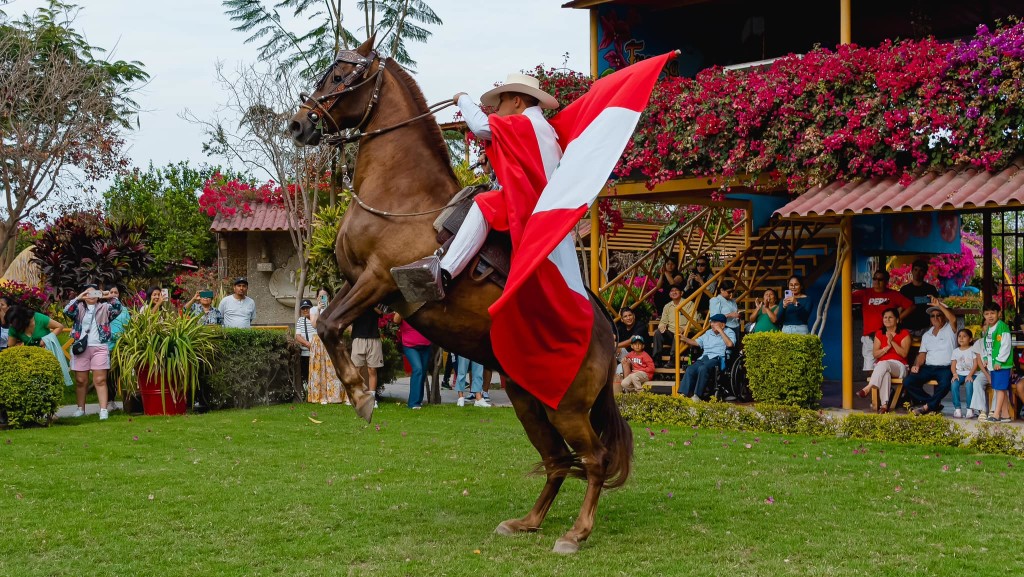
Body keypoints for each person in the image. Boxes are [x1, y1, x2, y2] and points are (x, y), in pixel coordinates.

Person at [391, 72, 562, 301]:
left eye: (501, 101)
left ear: (517, 101)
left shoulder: (526, 122)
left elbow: (481, 126)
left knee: (484, 203)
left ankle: (444, 272)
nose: (497, 108)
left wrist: (463, 98)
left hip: (529, 205)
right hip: (541, 205)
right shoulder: (543, 128)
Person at [63, 284, 124, 420]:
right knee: (81, 380)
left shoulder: (105, 308)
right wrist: (79, 297)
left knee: (100, 379)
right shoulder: (78, 308)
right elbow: (67, 311)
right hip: (81, 347)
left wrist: (108, 296)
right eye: (88, 293)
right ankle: (80, 409)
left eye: (94, 293)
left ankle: (103, 409)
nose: (91, 296)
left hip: (100, 347)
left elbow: (118, 308)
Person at [851, 269, 913, 371]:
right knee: (869, 368)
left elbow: (911, 306)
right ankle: (872, 387)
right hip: (870, 336)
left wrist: (898, 318)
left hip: (888, 336)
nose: (877, 281)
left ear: (886, 281)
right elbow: (845, 298)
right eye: (875, 279)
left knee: (887, 365)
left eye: (880, 279)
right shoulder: (865, 293)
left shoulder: (893, 294)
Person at [905, 298, 957, 416]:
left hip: (946, 367)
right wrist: (916, 365)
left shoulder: (950, 329)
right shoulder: (927, 334)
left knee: (945, 385)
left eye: (939, 315)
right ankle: (933, 403)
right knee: (908, 381)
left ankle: (927, 406)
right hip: (928, 367)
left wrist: (939, 304)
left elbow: (953, 318)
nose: (935, 318)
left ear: (944, 316)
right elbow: (922, 354)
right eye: (932, 316)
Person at [855, 308, 910, 413]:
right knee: (885, 374)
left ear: (897, 320)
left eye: (890, 317)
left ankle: (868, 388)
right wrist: (886, 348)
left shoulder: (904, 333)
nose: (887, 319)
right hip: (883, 368)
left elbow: (904, 354)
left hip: (899, 366)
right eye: (885, 317)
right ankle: (884, 406)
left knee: (883, 364)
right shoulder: (879, 333)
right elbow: (875, 354)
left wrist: (892, 341)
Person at [6, 305, 72, 387]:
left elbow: (60, 326)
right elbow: (10, 346)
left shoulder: (38, 318)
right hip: (29, 359)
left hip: (48, 354)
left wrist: (46, 339)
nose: (12, 326)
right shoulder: (14, 327)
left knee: (49, 383)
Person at [677, 313, 735, 400]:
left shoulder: (729, 332)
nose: (712, 324)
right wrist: (685, 339)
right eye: (711, 322)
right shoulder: (708, 333)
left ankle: (697, 395)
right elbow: (697, 342)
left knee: (702, 368)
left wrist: (720, 331)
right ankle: (684, 394)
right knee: (690, 369)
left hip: (717, 358)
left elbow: (730, 344)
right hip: (704, 357)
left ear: (722, 324)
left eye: (715, 322)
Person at [306, 289, 346, 406]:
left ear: (329, 297)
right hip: (319, 341)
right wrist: (318, 309)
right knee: (319, 368)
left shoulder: (334, 309)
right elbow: (314, 324)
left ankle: (335, 396)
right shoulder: (314, 309)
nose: (323, 298)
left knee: (333, 368)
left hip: (331, 340)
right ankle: (320, 396)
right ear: (317, 297)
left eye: (325, 296)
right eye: (320, 296)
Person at [980, 302, 1014, 423]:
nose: (990, 316)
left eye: (992, 313)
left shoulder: (1002, 327)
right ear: (983, 315)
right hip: (992, 364)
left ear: (999, 313)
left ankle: (996, 414)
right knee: (1000, 388)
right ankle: (1005, 415)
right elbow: (986, 345)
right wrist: (985, 358)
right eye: (987, 313)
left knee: (999, 389)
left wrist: (999, 360)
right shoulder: (988, 328)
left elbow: (1005, 345)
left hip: (1001, 364)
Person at [393, 311, 432, 409]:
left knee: (422, 372)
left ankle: (418, 400)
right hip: (410, 345)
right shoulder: (405, 308)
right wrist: (403, 307)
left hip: (426, 345)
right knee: (418, 369)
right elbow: (395, 320)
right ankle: (413, 403)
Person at [350, 304, 385, 402]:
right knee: (357, 369)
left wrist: (371, 304)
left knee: (372, 369)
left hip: (374, 338)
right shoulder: (356, 303)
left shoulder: (376, 302)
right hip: (358, 338)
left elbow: (382, 314)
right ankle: (356, 397)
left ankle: (372, 399)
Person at [105, 286, 132, 412]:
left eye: (116, 292)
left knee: (117, 375)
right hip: (107, 346)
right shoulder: (103, 308)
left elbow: (129, 325)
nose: (114, 294)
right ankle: (107, 400)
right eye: (111, 292)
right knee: (107, 375)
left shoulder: (125, 310)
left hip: (121, 346)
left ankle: (116, 400)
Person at [899, 259, 940, 337]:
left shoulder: (931, 289)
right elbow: (900, 308)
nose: (917, 273)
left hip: (926, 328)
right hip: (907, 328)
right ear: (912, 271)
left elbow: (935, 307)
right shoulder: (905, 289)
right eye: (915, 270)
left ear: (925, 273)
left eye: (921, 270)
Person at [951, 328, 982, 419]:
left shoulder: (973, 349)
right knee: (954, 384)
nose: (961, 338)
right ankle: (957, 409)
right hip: (959, 373)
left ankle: (970, 409)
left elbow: (975, 364)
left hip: (972, 373)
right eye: (959, 336)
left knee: (969, 384)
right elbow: (953, 365)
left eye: (964, 336)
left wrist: (969, 375)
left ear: (970, 339)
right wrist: (955, 374)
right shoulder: (955, 351)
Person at [653, 285, 685, 367]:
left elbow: (694, 322)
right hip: (671, 334)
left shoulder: (689, 303)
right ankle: (657, 360)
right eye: (672, 291)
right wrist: (662, 326)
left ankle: (673, 360)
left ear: (682, 293)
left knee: (677, 333)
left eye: (676, 290)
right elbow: (663, 321)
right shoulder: (667, 306)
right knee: (657, 333)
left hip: (684, 334)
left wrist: (683, 329)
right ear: (669, 294)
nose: (674, 292)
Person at [614, 308, 647, 376]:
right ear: (622, 320)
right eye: (625, 316)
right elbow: (613, 337)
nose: (628, 318)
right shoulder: (621, 328)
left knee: (617, 349)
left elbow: (631, 341)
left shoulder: (640, 325)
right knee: (619, 369)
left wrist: (616, 345)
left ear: (634, 316)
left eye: (630, 315)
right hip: (627, 357)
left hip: (640, 357)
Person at [294, 299, 315, 387]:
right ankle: (308, 394)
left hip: (318, 353)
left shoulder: (317, 319)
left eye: (307, 308)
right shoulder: (300, 320)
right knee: (306, 375)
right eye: (303, 309)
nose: (305, 310)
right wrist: (308, 344)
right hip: (306, 353)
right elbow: (298, 336)